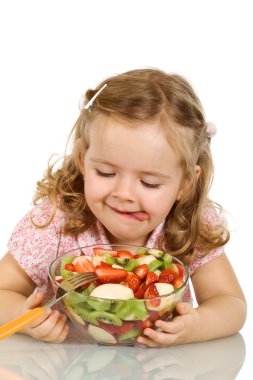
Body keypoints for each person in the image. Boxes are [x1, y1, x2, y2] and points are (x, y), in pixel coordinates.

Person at [0, 68, 247, 346]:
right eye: (106, 173)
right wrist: (23, 316)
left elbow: (231, 304)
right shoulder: (56, 220)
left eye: (149, 182)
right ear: (83, 159)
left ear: (185, 184)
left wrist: (197, 326)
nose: (124, 194)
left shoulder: (190, 224)